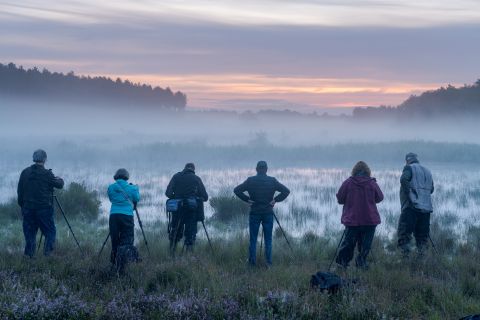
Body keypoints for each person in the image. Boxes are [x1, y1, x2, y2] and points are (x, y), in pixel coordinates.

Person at [234, 161, 290, 267]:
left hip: (254, 213)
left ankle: (252, 264)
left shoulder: (250, 181)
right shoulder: (272, 181)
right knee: (268, 239)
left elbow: (236, 190)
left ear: (256, 169)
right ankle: (268, 264)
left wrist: (247, 199)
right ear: (266, 169)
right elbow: (286, 191)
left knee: (253, 240)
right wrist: (275, 200)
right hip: (268, 213)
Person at [335, 161, 384, 269]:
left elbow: (340, 199)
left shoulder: (348, 182)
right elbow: (380, 197)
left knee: (348, 244)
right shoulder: (372, 183)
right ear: (367, 171)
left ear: (354, 171)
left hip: (352, 220)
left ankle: (342, 264)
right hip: (370, 220)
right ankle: (361, 263)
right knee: (365, 245)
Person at [17, 149, 64, 257]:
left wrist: (23, 206)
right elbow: (59, 185)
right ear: (44, 159)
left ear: (34, 158)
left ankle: (29, 257)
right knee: (50, 232)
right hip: (44, 210)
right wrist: (60, 179)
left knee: (30, 235)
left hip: (28, 209)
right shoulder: (47, 174)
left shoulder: (25, 172)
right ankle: (48, 255)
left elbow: (20, 191)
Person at [165, 163, 208, 254]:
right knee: (190, 233)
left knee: (175, 230)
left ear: (184, 168)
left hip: (177, 210)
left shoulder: (176, 176)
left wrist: (176, 197)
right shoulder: (196, 179)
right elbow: (205, 197)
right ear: (193, 169)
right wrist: (195, 197)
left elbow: (168, 193)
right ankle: (189, 255)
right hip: (191, 211)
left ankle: (171, 252)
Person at [397, 152, 434, 256]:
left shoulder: (409, 168)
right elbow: (431, 189)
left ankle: (405, 260)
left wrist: (410, 195)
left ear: (407, 160)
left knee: (404, 235)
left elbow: (403, 179)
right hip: (425, 209)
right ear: (417, 159)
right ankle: (422, 261)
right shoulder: (427, 171)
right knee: (422, 238)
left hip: (411, 208)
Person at [107, 168, 140, 268]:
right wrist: (136, 188)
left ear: (116, 176)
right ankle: (124, 263)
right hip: (127, 216)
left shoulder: (111, 187)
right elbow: (137, 198)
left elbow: (111, 198)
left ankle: (114, 262)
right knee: (127, 240)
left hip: (114, 216)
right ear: (126, 177)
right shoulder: (132, 188)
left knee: (115, 240)